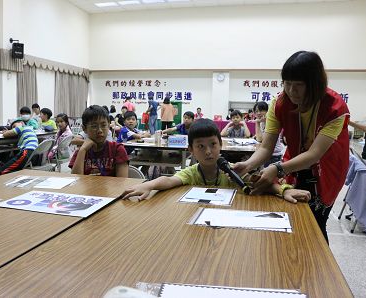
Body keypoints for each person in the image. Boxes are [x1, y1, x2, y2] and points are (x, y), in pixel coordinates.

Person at [233, 51, 350, 243]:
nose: (291, 90)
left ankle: (318, 267)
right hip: (295, 163)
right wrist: (247, 165)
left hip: (327, 169)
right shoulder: (279, 103)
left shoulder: (335, 108)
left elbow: (314, 154)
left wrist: (277, 168)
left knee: (315, 222)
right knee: (290, 213)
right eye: (287, 83)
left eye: (298, 85)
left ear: (314, 84)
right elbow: (266, 148)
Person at [120, 118, 310, 202]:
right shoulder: (193, 172)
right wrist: (148, 185)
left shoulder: (231, 170)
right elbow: (169, 180)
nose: (208, 151)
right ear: (191, 151)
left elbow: (262, 185)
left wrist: (283, 190)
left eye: (213, 144)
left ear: (221, 144)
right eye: (200, 146)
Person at [71, 105, 128, 177]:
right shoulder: (81, 152)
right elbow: (75, 180)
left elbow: (122, 182)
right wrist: (83, 150)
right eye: (94, 126)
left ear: (108, 126)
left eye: (103, 125)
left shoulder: (117, 149)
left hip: (111, 188)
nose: (100, 131)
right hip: (86, 188)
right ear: (84, 129)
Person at [253, 101, 284, 166]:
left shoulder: (271, 122)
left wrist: (257, 123)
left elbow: (260, 139)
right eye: (256, 111)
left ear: (268, 111)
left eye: (261, 110)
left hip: (274, 156)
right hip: (268, 154)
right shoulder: (262, 122)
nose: (258, 113)